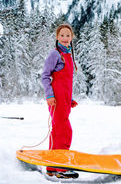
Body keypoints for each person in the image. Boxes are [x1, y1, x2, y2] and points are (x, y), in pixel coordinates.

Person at [41, 23, 79, 179]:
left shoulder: (69, 55)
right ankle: (61, 168)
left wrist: (69, 98)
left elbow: (65, 81)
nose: (65, 38)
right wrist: (50, 95)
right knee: (64, 131)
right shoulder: (54, 54)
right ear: (57, 37)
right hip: (55, 100)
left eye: (67, 35)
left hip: (64, 100)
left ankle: (52, 167)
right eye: (62, 35)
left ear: (72, 38)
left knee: (58, 131)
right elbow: (45, 76)